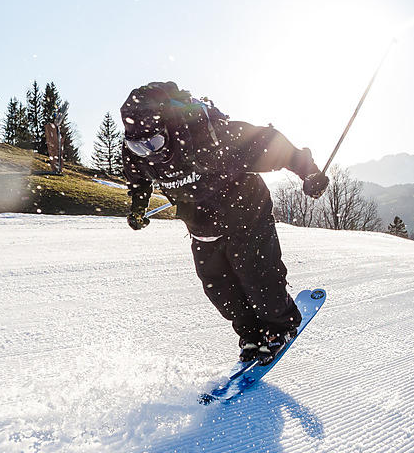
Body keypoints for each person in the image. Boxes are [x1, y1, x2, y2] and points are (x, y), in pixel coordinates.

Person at [121, 81, 329, 363]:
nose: (150, 151)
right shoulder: (137, 151)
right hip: (202, 225)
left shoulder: (208, 135)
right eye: (139, 146)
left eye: (154, 143)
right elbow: (138, 179)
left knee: (256, 275)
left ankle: (281, 326)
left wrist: (310, 172)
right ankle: (252, 334)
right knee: (218, 287)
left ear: (168, 128)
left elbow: (270, 142)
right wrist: (137, 206)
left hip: (246, 212)